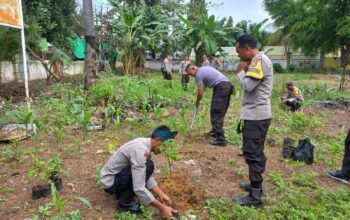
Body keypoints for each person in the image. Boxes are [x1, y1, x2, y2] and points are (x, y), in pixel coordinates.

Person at [100, 126, 178, 218]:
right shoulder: (140, 151)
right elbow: (139, 187)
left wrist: (160, 194)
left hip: (117, 176)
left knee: (147, 165)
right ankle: (125, 204)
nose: (164, 150)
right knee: (149, 165)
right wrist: (162, 208)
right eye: (164, 145)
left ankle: (122, 193)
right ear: (157, 140)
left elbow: (143, 173)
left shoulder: (144, 143)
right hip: (110, 183)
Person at [232, 34, 273, 208]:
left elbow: (248, 86)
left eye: (239, 51)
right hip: (256, 115)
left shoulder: (259, 60)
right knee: (255, 152)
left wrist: (240, 72)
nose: (239, 55)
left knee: (253, 153)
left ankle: (255, 197)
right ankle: (256, 186)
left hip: (256, 116)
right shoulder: (257, 60)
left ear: (247, 48)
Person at [185, 64, 233, 146]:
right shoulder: (204, 68)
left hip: (220, 87)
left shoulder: (198, 74)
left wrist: (197, 101)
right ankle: (215, 131)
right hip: (227, 86)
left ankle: (221, 138)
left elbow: (200, 92)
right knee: (220, 111)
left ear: (193, 68)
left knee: (216, 111)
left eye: (190, 73)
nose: (191, 76)